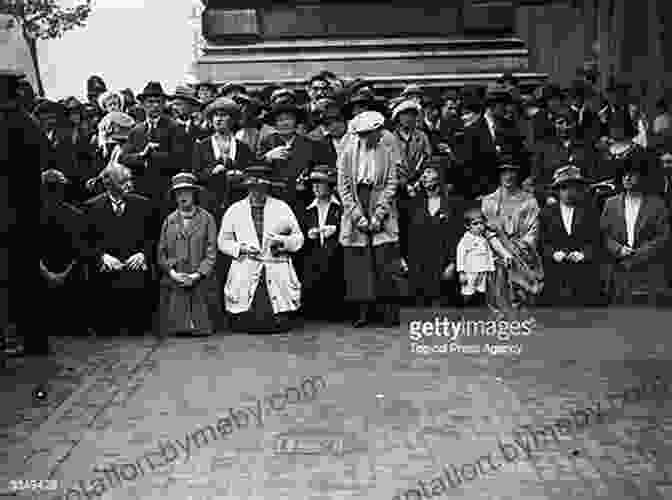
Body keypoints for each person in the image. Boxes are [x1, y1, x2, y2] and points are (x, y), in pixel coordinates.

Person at [217, 164, 304, 333]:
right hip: (247, 265)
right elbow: (223, 241)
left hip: (275, 264)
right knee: (244, 320)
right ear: (247, 188)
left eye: (261, 188)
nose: (257, 192)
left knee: (279, 319)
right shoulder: (234, 210)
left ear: (267, 187)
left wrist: (283, 242)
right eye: (253, 188)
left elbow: (298, 238)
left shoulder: (282, 208)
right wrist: (241, 248)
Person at [337, 111, 402, 327]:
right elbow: (344, 187)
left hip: (380, 202)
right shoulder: (347, 153)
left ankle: (387, 312)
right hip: (357, 202)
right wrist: (357, 216)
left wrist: (379, 214)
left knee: (384, 260)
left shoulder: (387, 150)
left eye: (372, 133)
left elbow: (392, 182)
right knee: (359, 262)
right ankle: (362, 312)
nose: (368, 138)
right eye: (363, 134)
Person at [83, 163, 156, 336]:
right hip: (105, 284)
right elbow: (84, 242)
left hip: (135, 282)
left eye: (130, 180)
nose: (130, 184)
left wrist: (143, 254)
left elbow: (153, 237)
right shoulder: (91, 207)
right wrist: (101, 257)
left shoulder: (144, 205)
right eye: (124, 181)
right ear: (109, 184)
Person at [600, 159, 670, 305]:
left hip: (649, 272)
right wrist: (619, 249)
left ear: (643, 176)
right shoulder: (610, 203)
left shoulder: (657, 204)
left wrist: (637, 254)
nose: (627, 178)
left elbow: (663, 236)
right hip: (618, 272)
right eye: (624, 174)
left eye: (632, 174)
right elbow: (603, 234)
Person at [481, 160, 544, 319]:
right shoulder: (489, 201)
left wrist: (518, 250)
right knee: (499, 305)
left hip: (523, 260)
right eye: (504, 172)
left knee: (523, 307)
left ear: (518, 174)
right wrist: (503, 252)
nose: (508, 176)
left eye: (512, 171)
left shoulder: (530, 201)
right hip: (498, 260)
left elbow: (533, 233)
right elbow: (487, 233)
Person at [157, 173, 218, 336]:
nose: (183, 197)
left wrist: (197, 275)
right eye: (178, 193)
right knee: (176, 328)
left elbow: (212, 252)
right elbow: (161, 253)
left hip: (200, 283)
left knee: (201, 325)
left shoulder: (207, 219)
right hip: (176, 283)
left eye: (186, 192)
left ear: (194, 194)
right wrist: (173, 274)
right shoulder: (169, 221)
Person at [118, 81, 188, 219]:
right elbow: (123, 157)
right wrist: (141, 156)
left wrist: (153, 156)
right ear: (142, 104)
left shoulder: (175, 128)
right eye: (150, 102)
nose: (155, 106)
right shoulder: (136, 130)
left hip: (165, 191)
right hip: (140, 191)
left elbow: (180, 160)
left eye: (158, 102)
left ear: (164, 104)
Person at [539, 165, 602, 307]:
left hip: (584, 276)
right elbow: (542, 242)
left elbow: (598, 240)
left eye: (572, 188)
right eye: (564, 188)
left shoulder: (589, 211)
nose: (568, 192)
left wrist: (584, 254)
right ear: (557, 191)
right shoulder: (547, 213)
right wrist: (553, 253)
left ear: (579, 189)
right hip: (556, 275)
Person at [405, 159, 463, 307]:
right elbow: (408, 235)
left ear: (440, 176)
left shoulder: (452, 204)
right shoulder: (414, 204)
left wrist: (453, 263)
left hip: (444, 269)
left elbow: (458, 237)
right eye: (423, 173)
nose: (424, 176)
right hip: (419, 269)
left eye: (429, 172)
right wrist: (404, 260)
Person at [192, 97, 255, 219]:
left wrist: (240, 175)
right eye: (215, 116)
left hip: (237, 203)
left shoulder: (243, 148)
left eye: (223, 115)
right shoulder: (202, 146)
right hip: (209, 204)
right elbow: (195, 175)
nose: (218, 119)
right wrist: (211, 171)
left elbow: (250, 173)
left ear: (232, 120)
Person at [257, 101, 322, 212]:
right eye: (280, 120)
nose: (285, 123)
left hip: (301, 199)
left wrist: (307, 178)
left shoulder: (309, 144)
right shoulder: (267, 142)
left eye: (289, 119)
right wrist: (268, 157)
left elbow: (316, 169)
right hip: (273, 198)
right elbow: (255, 168)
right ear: (275, 123)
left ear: (296, 122)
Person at [299, 165, 344, 320]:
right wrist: (308, 235)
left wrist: (337, 230)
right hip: (314, 267)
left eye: (320, 183)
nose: (316, 187)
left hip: (337, 266)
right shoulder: (307, 209)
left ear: (330, 185)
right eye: (314, 183)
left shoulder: (341, 208)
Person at [456, 208, 496, 308]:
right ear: (467, 226)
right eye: (475, 224)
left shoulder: (483, 239)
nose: (479, 227)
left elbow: (488, 254)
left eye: (481, 223)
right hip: (470, 271)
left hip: (482, 271)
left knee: (481, 292)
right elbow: (460, 256)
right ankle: (463, 313)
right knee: (468, 292)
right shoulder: (466, 240)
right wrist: (461, 272)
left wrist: (490, 268)